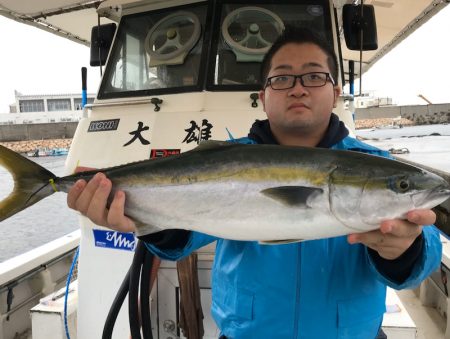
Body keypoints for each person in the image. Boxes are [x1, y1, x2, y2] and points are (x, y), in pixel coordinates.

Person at [67, 27, 441, 338]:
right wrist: (143, 219)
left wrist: (404, 249)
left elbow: (423, 256)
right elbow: (181, 238)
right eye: (281, 79)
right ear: (263, 97)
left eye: (313, 76)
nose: (298, 88)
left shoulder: (376, 165)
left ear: (335, 92)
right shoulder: (226, 157)